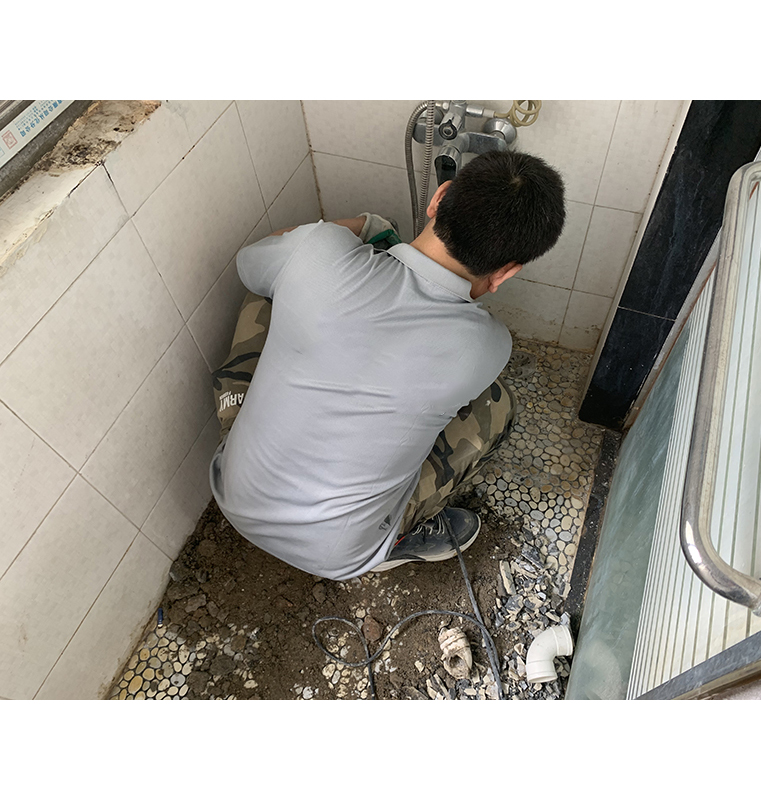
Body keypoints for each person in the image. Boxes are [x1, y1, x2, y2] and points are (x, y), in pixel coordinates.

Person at [209, 150, 566, 581]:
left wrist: (360, 228)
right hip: (338, 555)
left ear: (439, 198)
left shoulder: (317, 251)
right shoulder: (488, 346)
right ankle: (396, 540)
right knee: (497, 404)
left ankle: (240, 408)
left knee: (269, 286)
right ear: (506, 273)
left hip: (234, 493)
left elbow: (249, 264)